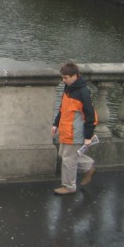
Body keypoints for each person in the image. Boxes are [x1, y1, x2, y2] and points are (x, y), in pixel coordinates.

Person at [51, 61, 98, 195]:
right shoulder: (68, 89)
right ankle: (89, 167)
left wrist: (88, 136)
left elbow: (90, 116)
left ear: (75, 76)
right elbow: (62, 109)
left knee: (68, 160)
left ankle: (69, 186)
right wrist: (55, 124)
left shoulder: (83, 93)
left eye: (66, 78)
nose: (63, 80)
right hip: (66, 130)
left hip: (74, 132)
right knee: (64, 155)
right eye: (63, 77)